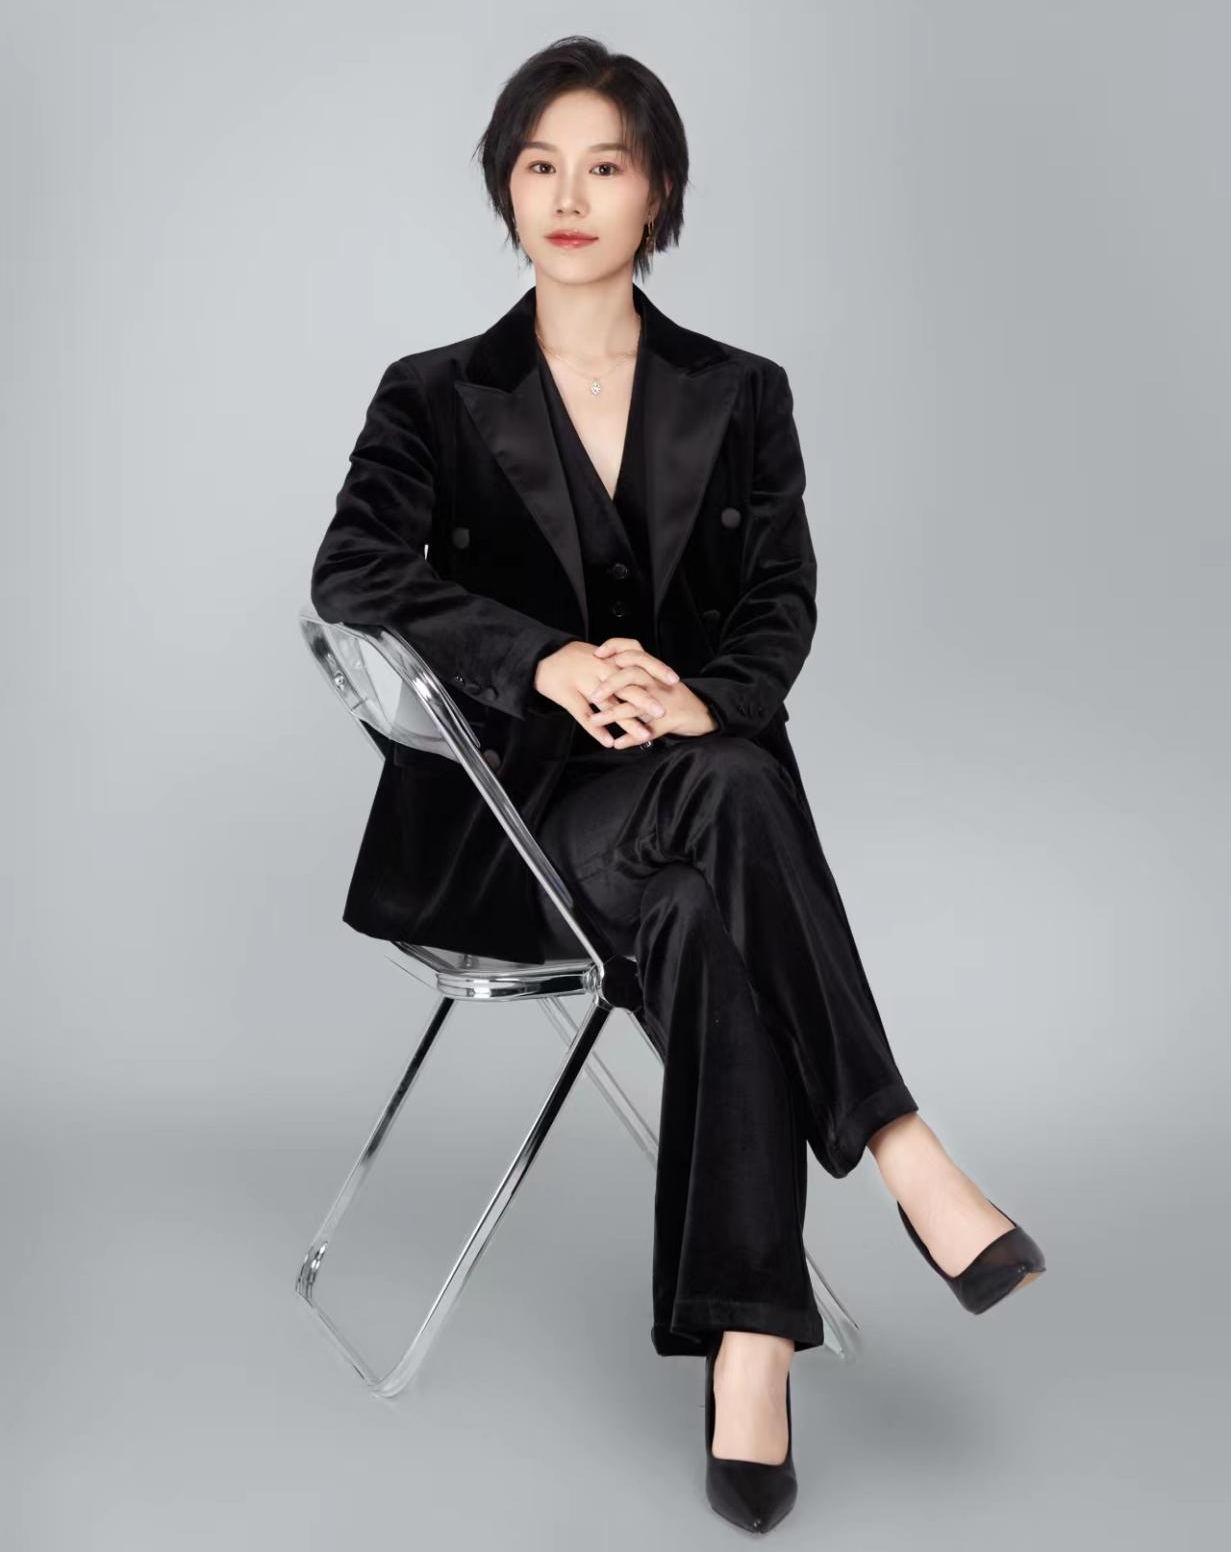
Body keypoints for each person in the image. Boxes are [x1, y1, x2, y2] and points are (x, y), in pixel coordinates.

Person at [310, 35, 1046, 1536]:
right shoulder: (433, 397)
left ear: (659, 193)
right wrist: (545, 662)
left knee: (711, 897)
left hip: (697, 825)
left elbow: (779, 601)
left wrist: (706, 698)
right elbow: (354, 573)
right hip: (515, 832)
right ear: (505, 189)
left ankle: (751, 1352)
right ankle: (905, 1151)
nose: (569, 197)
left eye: (606, 166)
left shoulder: (743, 394)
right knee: (733, 797)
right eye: (540, 165)